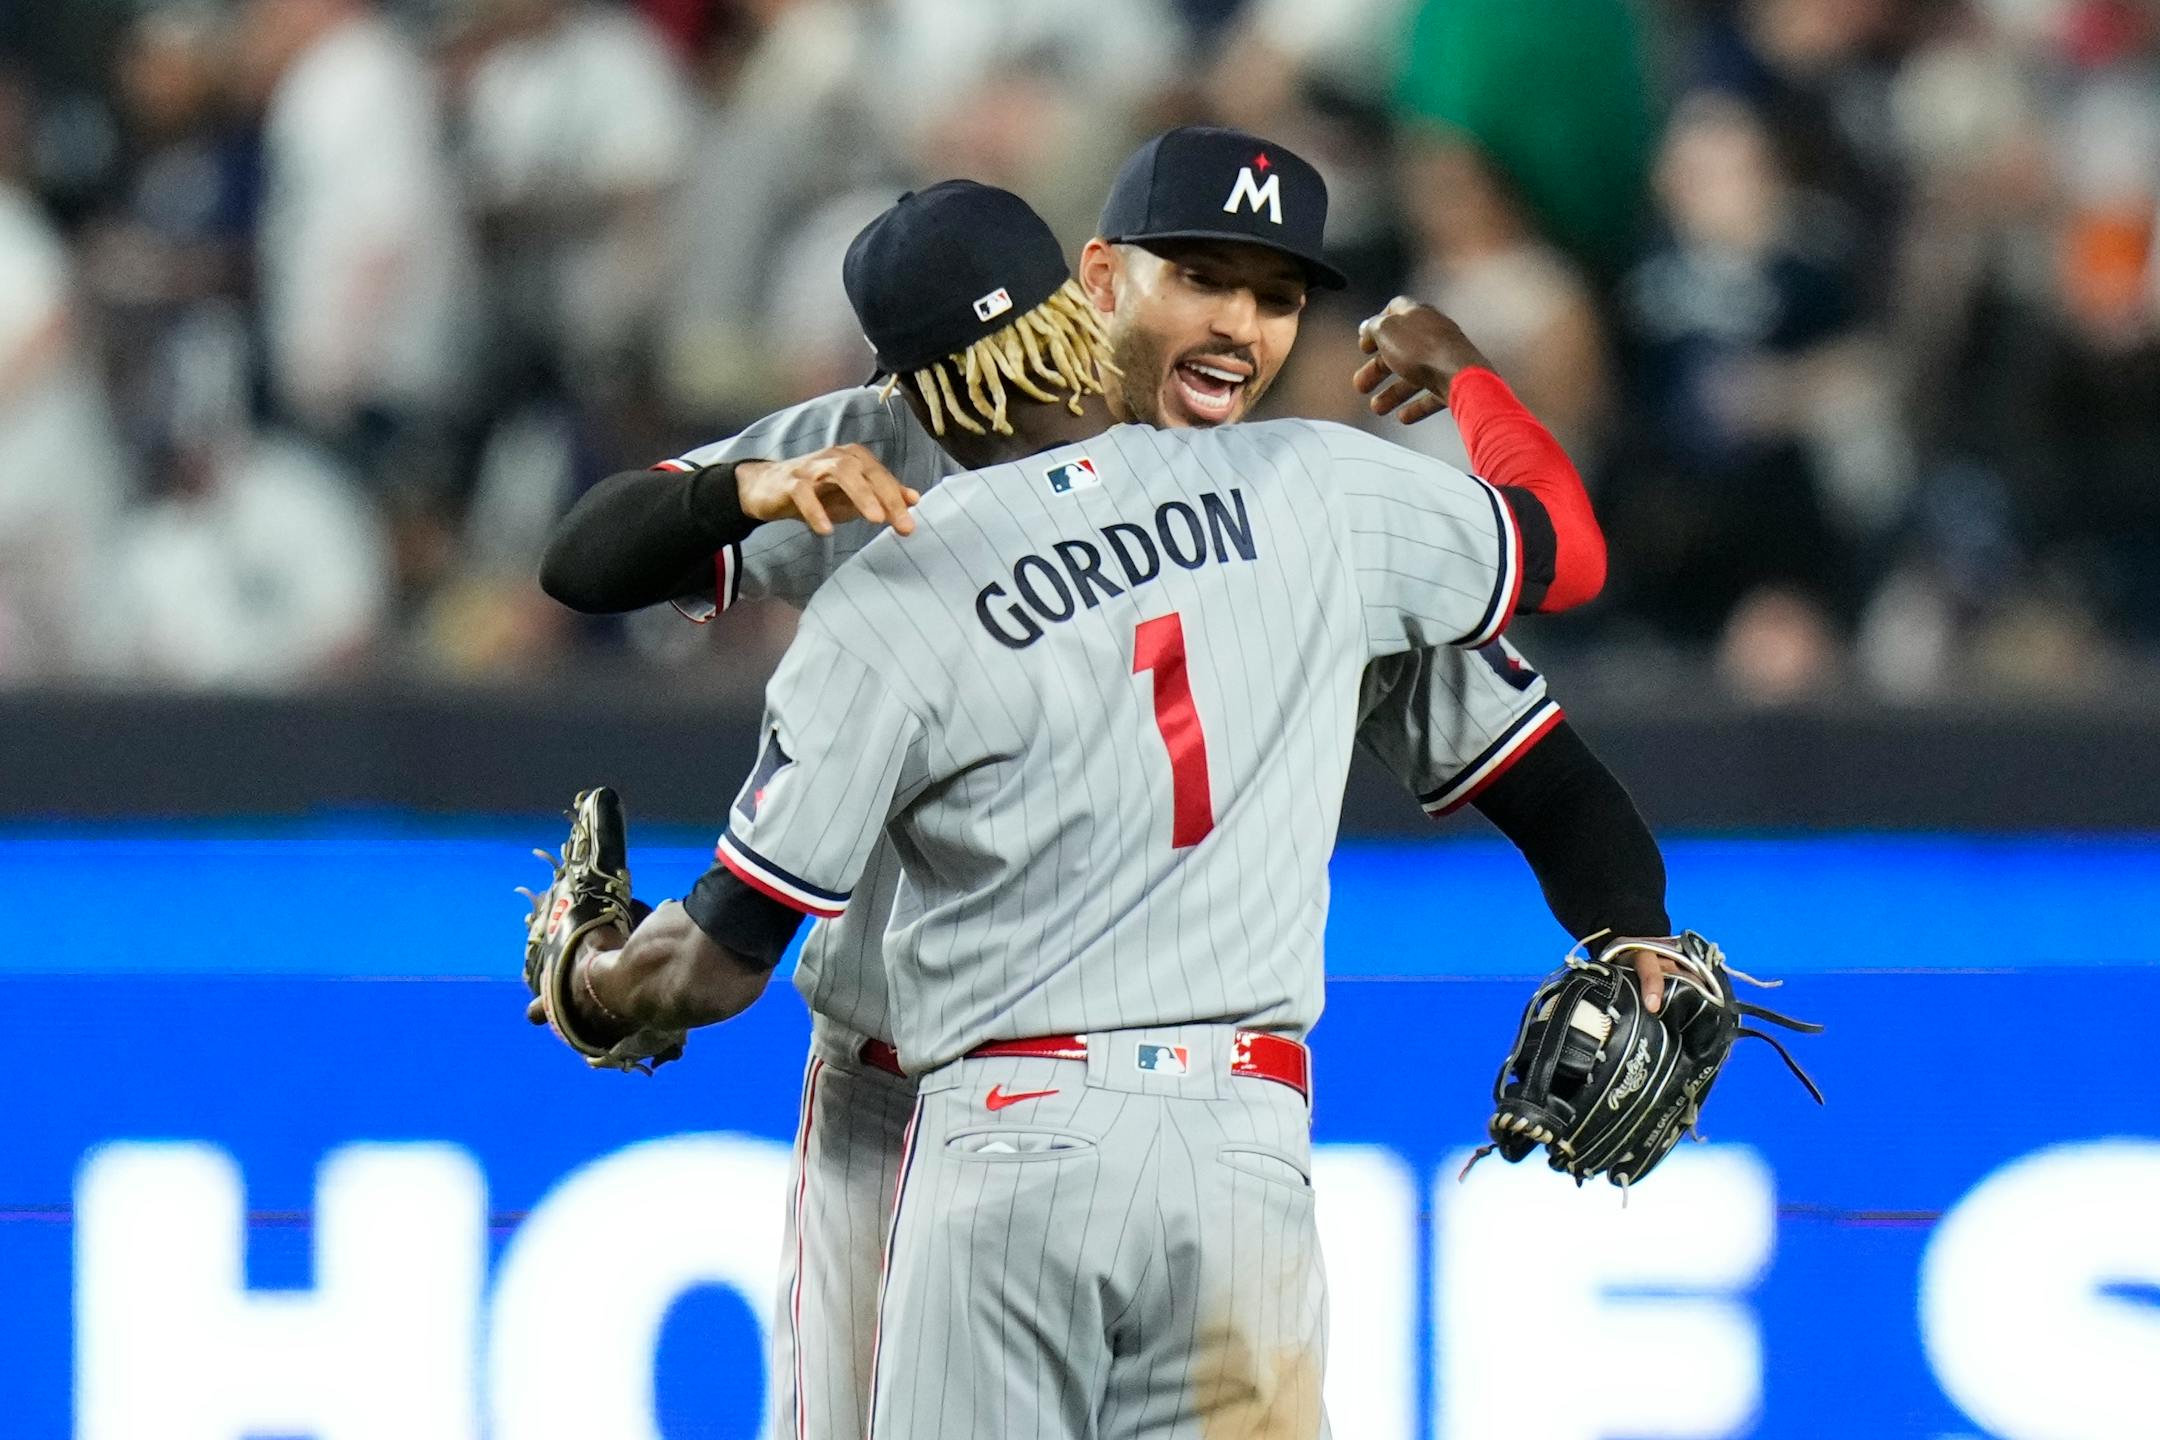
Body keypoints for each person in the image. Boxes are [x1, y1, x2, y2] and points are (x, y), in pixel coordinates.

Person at [539, 134, 1648, 1440]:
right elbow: (586, 558)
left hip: (1022, 1122)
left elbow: (1551, 785)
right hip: (913, 1092)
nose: (1237, 325)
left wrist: (1631, 935)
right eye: (1201, 279)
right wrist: (741, 490)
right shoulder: (905, 445)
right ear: (1099, 282)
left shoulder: (1303, 502)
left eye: (1276, 295)